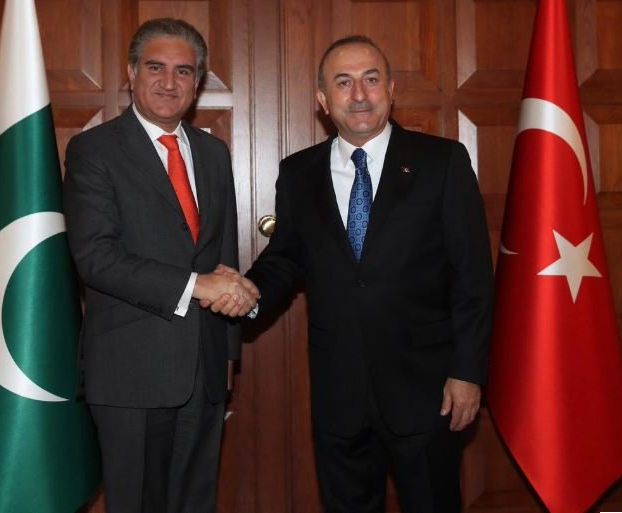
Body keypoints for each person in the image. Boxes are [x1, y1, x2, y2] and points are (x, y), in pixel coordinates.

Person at [209, 35, 494, 512]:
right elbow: (285, 259)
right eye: (343, 83)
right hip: (339, 392)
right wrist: (248, 294)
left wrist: (467, 372)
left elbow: (473, 278)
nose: (359, 94)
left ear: (391, 88)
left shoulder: (441, 162)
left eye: (370, 79)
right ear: (323, 100)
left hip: (427, 390)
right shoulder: (299, 173)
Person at [62, 18, 259, 513]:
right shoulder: (94, 150)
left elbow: (222, 258)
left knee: (195, 503)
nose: (169, 83)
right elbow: (96, 258)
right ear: (131, 73)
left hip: (205, 372)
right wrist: (199, 286)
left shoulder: (213, 153)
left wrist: (228, 355)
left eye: (184, 72)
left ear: (197, 83)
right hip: (132, 372)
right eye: (155, 68)